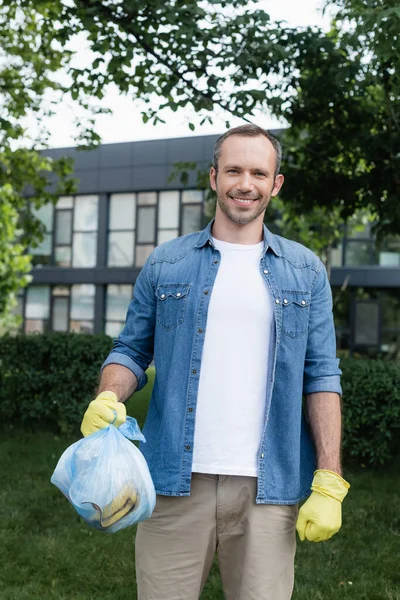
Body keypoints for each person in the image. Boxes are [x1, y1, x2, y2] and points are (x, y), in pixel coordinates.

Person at [81, 124, 350, 600]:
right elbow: (130, 350)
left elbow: (321, 374)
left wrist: (329, 478)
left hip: (270, 488)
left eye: (258, 173)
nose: (245, 183)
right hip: (172, 483)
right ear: (213, 177)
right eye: (233, 170)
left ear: (275, 183)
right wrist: (108, 393)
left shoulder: (305, 270)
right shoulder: (167, 263)